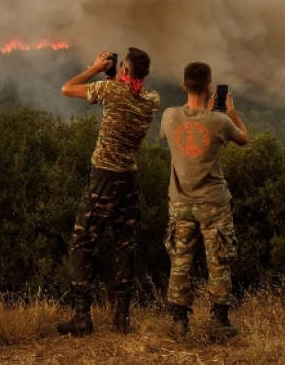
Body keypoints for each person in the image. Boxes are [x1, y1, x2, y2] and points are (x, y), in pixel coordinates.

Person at [56, 48, 160, 336]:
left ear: (125, 72)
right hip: (129, 177)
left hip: (104, 176)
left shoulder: (110, 92)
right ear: (145, 75)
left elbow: (67, 89)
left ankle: (81, 319)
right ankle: (122, 319)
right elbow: (131, 91)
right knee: (125, 245)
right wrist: (117, 75)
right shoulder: (153, 100)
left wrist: (94, 67)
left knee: (81, 243)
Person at [159, 62, 249, 341]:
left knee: (180, 261)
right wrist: (231, 112)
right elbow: (244, 139)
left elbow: (171, 137)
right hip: (213, 204)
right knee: (219, 262)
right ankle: (219, 324)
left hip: (180, 202)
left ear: (184, 85)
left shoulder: (170, 116)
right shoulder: (220, 122)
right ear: (210, 87)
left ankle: (178, 323)